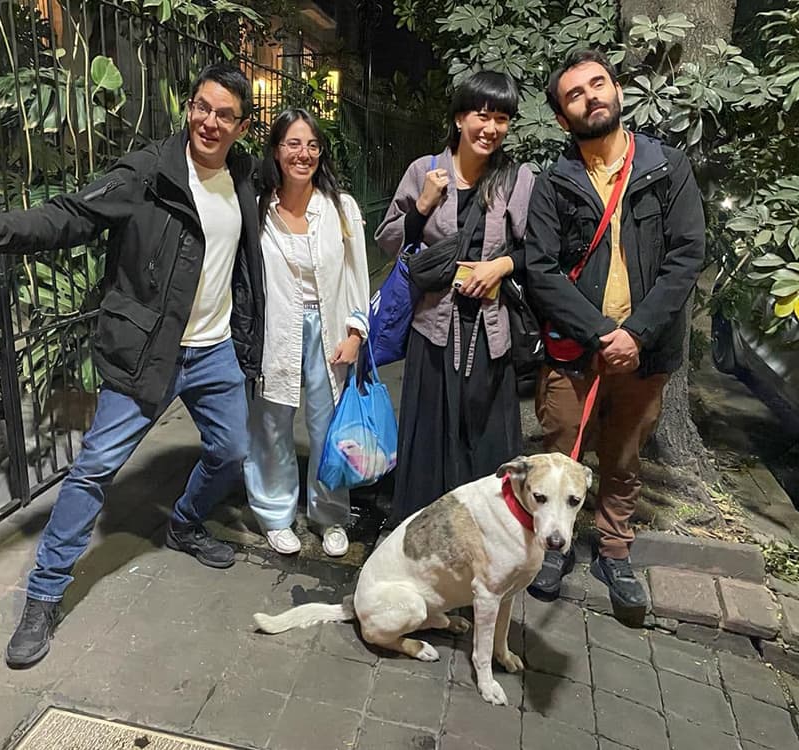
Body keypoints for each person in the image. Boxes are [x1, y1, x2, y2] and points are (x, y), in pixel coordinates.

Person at [0, 64, 265, 667]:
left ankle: (184, 523)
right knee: (95, 469)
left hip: (212, 352)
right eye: (202, 107)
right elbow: (68, 215)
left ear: (241, 126)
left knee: (232, 450)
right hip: (148, 351)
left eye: (225, 114)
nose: (210, 122)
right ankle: (43, 595)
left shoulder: (241, 176)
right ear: (189, 107)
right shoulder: (148, 174)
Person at [524, 49, 705, 608]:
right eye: (575, 94)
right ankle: (551, 548)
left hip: (645, 353)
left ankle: (614, 548)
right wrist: (602, 332)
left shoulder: (667, 167)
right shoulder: (555, 183)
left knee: (624, 455)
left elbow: (686, 256)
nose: (591, 97)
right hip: (575, 350)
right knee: (560, 449)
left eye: (598, 84)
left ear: (618, 90)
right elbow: (540, 268)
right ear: (563, 118)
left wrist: (637, 333)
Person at [375, 71, 535, 525]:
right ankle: (423, 533)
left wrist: (501, 265)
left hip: (489, 332)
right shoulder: (425, 171)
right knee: (429, 437)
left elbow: (538, 250)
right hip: (434, 330)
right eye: (482, 116)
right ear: (460, 118)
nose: (491, 128)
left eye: (501, 119)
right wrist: (423, 204)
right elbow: (388, 240)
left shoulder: (517, 179)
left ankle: (486, 535)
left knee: (483, 440)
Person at [243, 109, 370, 557]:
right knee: (271, 423)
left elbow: (357, 274)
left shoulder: (340, 208)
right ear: (277, 151)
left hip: (329, 328)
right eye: (294, 144)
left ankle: (330, 514)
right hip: (276, 327)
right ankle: (275, 513)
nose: (304, 154)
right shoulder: (257, 209)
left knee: (328, 426)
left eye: (312, 145)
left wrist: (356, 332)